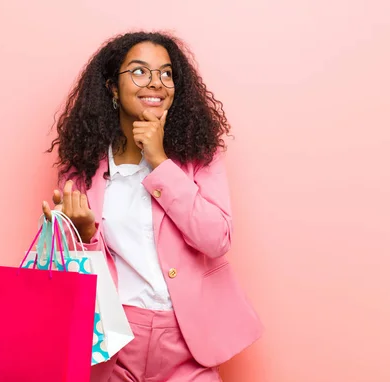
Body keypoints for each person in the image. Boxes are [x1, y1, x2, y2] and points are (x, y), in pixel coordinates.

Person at [42, 31, 262, 382]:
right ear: (113, 87)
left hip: (190, 342)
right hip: (114, 342)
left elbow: (216, 238)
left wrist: (160, 163)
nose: (156, 83)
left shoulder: (199, 156)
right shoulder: (82, 167)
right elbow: (72, 275)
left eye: (166, 73)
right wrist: (84, 236)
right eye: (140, 71)